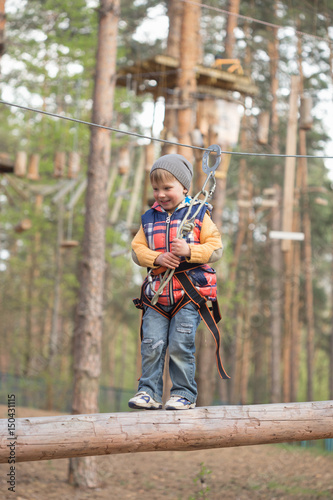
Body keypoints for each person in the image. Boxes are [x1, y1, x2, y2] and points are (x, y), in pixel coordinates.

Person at [128, 153, 223, 410]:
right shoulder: (149, 218)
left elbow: (216, 248)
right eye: (156, 188)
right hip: (158, 296)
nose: (160, 194)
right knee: (151, 344)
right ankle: (148, 391)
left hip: (187, 296)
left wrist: (189, 251)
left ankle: (183, 394)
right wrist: (158, 257)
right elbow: (137, 250)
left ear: (184, 187)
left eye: (167, 188)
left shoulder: (199, 215)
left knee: (181, 345)